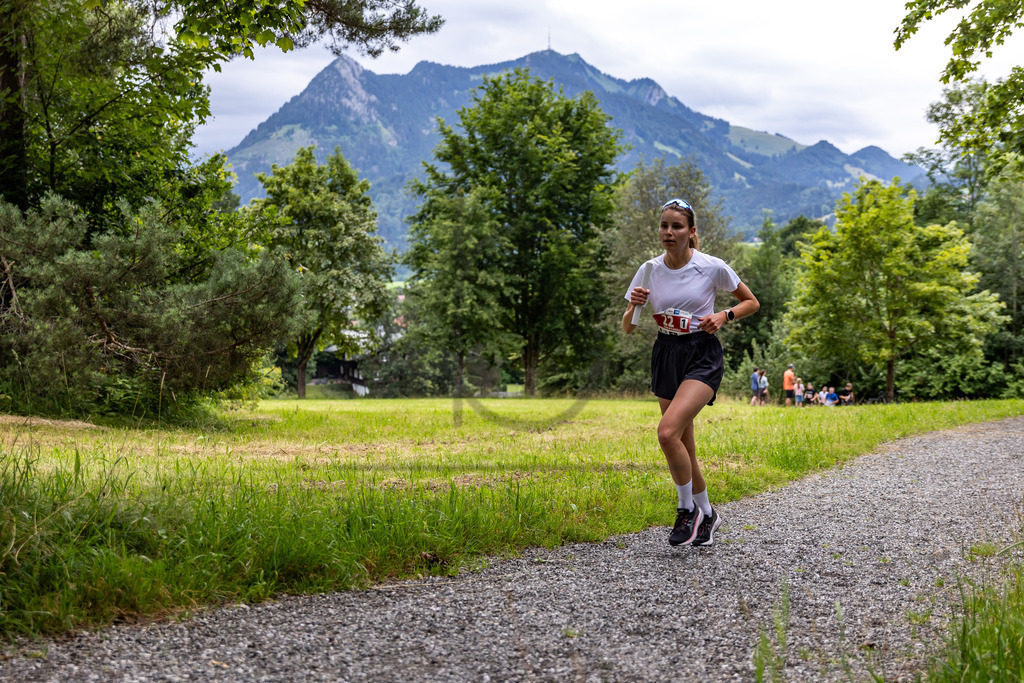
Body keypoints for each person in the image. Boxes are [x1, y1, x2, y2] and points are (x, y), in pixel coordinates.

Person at [623, 198, 759, 548]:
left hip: (701, 352)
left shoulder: (711, 267)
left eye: (677, 226)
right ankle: (708, 513)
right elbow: (628, 327)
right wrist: (635, 306)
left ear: (691, 231)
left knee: (667, 433)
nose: (669, 232)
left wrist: (724, 316)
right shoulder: (649, 269)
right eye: (664, 226)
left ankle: (687, 510)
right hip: (666, 352)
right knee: (684, 444)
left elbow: (751, 302)